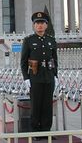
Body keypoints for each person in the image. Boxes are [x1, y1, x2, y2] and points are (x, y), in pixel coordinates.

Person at [20, 11, 58, 140]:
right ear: (33, 25)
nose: (40, 26)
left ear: (46, 25)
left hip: (48, 76)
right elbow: (23, 61)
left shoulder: (51, 40)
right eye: (37, 23)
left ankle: (46, 131)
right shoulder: (29, 41)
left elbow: (55, 59)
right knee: (36, 105)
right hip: (35, 77)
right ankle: (35, 132)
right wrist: (26, 78)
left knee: (47, 105)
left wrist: (56, 76)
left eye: (42, 23)